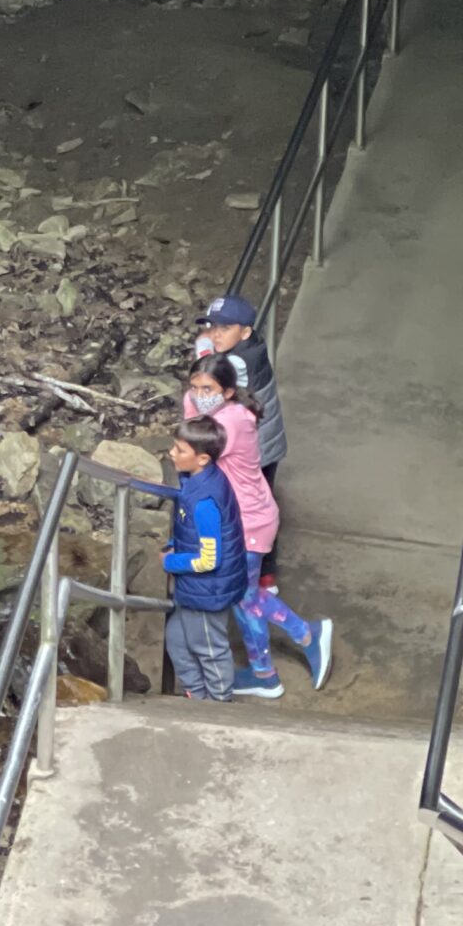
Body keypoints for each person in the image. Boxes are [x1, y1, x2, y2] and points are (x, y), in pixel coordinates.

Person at [185, 356, 332, 698]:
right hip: (244, 518)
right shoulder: (229, 412)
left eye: (207, 389)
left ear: (229, 391)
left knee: (243, 596)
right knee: (243, 596)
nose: (198, 395)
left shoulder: (228, 424)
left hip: (248, 522)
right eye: (194, 387)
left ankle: (299, 642)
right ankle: (271, 666)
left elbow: (191, 446)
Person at [197, 293, 286, 579]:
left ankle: (263, 574)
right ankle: (263, 572)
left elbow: (207, 383)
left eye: (224, 328)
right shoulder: (253, 345)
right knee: (262, 505)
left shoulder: (239, 364)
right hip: (263, 444)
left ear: (245, 331)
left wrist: (203, 351)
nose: (215, 334)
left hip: (255, 452)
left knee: (255, 512)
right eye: (212, 326)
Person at [161, 416, 247, 702]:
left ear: (202, 459)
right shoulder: (194, 481)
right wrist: (175, 542)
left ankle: (218, 704)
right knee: (176, 640)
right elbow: (190, 532)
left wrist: (171, 562)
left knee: (209, 649)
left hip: (207, 591)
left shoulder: (204, 502)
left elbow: (209, 559)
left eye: (180, 450)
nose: (172, 453)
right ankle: (196, 695)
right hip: (195, 590)